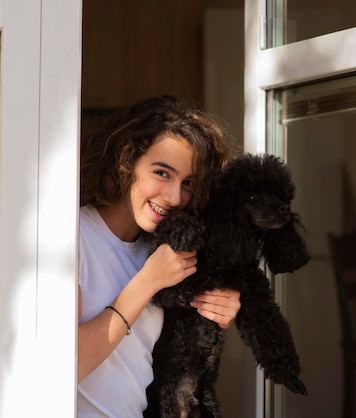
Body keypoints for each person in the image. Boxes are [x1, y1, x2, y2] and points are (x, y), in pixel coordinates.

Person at [77, 95, 241, 417]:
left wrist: (223, 304)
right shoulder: (74, 237)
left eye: (188, 183)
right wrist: (148, 282)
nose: (174, 196)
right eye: (162, 173)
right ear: (127, 162)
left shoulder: (162, 250)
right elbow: (69, 363)